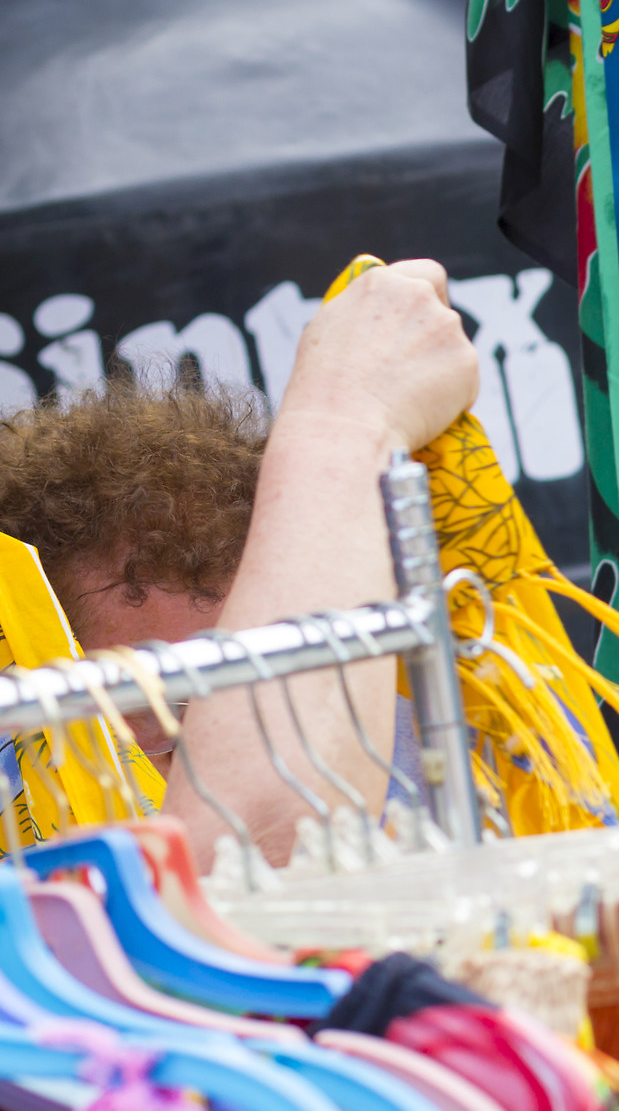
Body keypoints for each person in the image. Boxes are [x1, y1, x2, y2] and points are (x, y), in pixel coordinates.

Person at [0, 261, 480, 863]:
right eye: (155, 699)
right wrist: (341, 425)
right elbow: (253, 850)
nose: (209, 742)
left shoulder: (400, 739)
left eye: (238, 693)